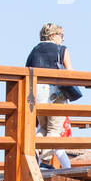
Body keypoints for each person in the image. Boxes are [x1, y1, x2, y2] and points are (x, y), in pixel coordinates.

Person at [25, 24, 74, 170]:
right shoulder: (61, 49)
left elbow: (27, 72)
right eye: (61, 35)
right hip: (55, 93)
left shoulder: (34, 51)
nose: (63, 38)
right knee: (54, 129)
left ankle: (33, 151)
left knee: (43, 127)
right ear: (53, 36)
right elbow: (71, 72)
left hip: (36, 94)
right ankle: (45, 163)